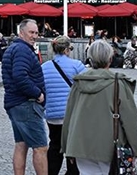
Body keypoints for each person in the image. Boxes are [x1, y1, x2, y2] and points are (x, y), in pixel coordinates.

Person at [62, 40, 137, 174]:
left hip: (80, 145)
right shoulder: (118, 83)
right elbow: (130, 120)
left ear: (90, 58)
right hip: (110, 146)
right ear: (110, 59)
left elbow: (69, 116)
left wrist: (66, 147)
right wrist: (135, 149)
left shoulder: (79, 83)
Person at [1, 19, 48, 175]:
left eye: (36, 32)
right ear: (21, 33)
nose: (34, 36)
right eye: (31, 32)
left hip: (15, 103)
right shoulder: (22, 50)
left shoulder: (13, 48)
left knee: (21, 144)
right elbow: (20, 76)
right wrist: (38, 94)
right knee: (41, 147)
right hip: (26, 104)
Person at [41, 36, 85, 175]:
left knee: (55, 146)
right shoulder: (77, 65)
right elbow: (87, 86)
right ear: (66, 49)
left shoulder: (44, 67)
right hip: (72, 115)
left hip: (53, 115)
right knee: (73, 149)